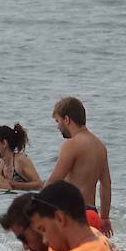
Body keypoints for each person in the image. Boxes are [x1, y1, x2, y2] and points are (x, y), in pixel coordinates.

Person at [45, 97, 113, 235]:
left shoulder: (72, 144)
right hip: (92, 215)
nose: (58, 127)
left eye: (57, 121)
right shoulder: (100, 146)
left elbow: (55, 180)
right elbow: (106, 184)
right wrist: (104, 217)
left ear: (67, 119)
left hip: (74, 215)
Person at [0, 124, 42, 191]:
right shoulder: (1, 164)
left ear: (4, 143)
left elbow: (39, 184)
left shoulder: (21, 160)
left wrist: (15, 184)